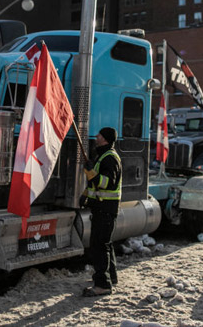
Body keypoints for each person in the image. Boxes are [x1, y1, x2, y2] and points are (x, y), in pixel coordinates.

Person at [82, 127, 122, 297]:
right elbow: (95, 185)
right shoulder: (104, 156)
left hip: (105, 208)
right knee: (105, 244)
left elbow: (107, 183)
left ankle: (102, 285)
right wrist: (85, 195)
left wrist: (90, 172)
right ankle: (109, 277)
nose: (96, 137)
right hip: (102, 207)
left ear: (105, 139)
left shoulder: (110, 158)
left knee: (99, 246)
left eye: (99, 135)